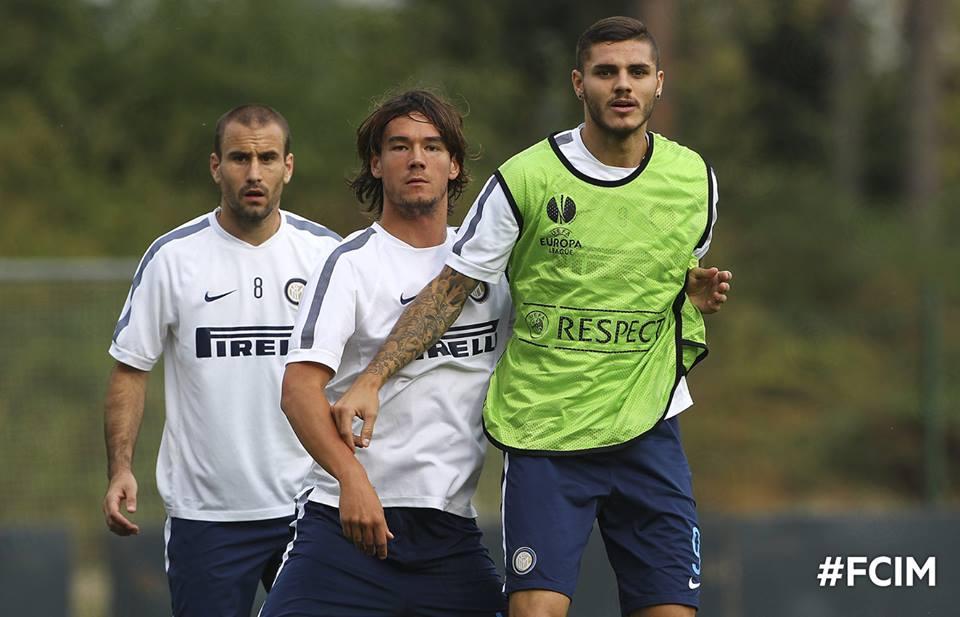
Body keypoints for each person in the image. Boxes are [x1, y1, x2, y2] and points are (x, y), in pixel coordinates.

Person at [333, 17, 733, 617]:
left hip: (649, 426)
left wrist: (688, 292)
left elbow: (663, 276)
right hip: (546, 431)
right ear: (579, 83)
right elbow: (450, 290)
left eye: (636, 72)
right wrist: (372, 377)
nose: (622, 85)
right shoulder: (525, 179)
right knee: (535, 611)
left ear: (659, 82)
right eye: (606, 72)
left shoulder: (694, 179)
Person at [259, 90, 508, 617]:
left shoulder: (487, 267)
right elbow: (298, 391)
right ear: (376, 163)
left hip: (450, 532)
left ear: (454, 164)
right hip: (346, 526)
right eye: (399, 146)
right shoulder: (350, 263)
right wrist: (352, 479)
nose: (416, 158)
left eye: (432, 146)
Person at [101, 105, 341, 617]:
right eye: (239, 158)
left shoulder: (326, 254)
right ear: (216, 166)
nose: (254, 173)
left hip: (310, 506)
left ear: (288, 167)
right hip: (207, 516)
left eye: (267, 158)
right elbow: (130, 370)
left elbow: (362, 369)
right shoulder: (173, 258)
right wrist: (120, 469)